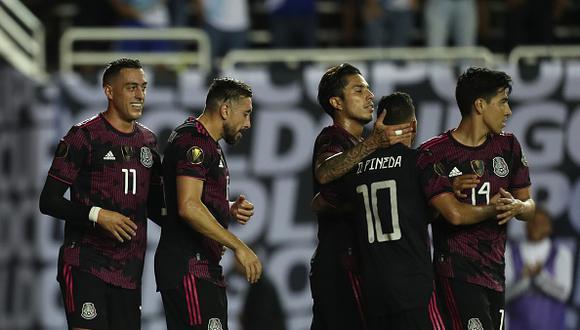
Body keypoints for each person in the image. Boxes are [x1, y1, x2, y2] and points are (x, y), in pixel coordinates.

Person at [39, 58, 164, 329]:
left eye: (143, 87)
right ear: (109, 91)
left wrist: (215, 216)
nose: (140, 95)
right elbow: (48, 201)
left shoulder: (149, 142)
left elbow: (156, 207)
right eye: (131, 87)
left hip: (130, 272)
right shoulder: (83, 137)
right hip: (86, 263)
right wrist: (98, 215)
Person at [417, 67, 536, 330]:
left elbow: (529, 207)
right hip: (457, 274)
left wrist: (517, 206)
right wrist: (494, 208)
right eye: (503, 102)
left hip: (495, 275)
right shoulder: (434, 153)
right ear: (480, 105)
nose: (509, 111)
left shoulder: (508, 147)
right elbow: (455, 215)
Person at [310, 63, 413, 330]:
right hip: (340, 267)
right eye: (359, 90)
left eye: (368, 89)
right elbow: (325, 172)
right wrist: (374, 144)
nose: (370, 96)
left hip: (357, 264)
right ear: (336, 102)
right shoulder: (332, 138)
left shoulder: (363, 145)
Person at [154, 77, 262, 329]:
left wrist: (226, 206)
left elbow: (192, 199)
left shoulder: (203, 141)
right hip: (190, 266)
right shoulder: (196, 143)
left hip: (196, 266)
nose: (248, 123)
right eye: (245, 114)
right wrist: (238, 246)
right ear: (225, 110)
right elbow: (188, 206)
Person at [505, 206, 573, 330]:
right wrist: (524, 280)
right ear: (525, 226)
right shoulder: (509, 252)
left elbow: (564, 294)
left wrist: (539, 277)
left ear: (549, 228)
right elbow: (504, 295)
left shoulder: (562, 254)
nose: (536, 226)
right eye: (532, 222)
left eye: (541, 223)